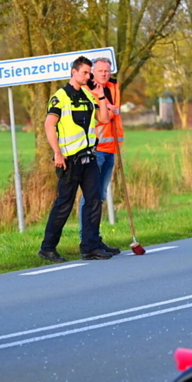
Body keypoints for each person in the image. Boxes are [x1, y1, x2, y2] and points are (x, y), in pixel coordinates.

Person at [38, 56, 113, 262]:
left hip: (89, 157)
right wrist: (57, 153)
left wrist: (100, 96)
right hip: (69, 160)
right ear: (74, 72)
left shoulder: (88, 96)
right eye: (85, 73)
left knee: (94, 200)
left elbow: (104, 119)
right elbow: (49, 125)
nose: (88, 76)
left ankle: (89, 247)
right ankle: (48, 247)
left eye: (90, 73)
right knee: (64, 204)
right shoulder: (60, 96)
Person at [78, 57, 123, 254]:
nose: (104, 73)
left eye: (107, 70)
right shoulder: (87, 90)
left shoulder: (113, 87)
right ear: (93, 72)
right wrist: (111, 110)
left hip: (111, 148)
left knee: (101, 195)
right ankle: (87, 239)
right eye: (100, 70)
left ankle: (95, 238)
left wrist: (112, 110)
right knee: (91, 196)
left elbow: (114, 112)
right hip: (96, 149)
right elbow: (100, 116)